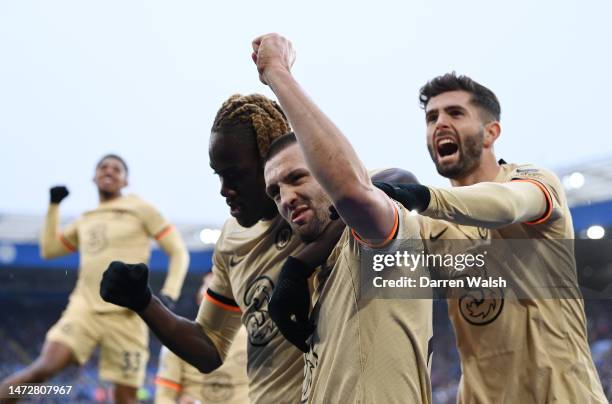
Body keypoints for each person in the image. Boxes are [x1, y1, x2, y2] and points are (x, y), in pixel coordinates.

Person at [369, 73, 607, 402]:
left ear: (491, 132)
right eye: (431, 117)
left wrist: (423, 197)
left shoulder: (532, 182)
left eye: (455, 113)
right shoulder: (430, 229)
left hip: (561, 395)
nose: (440, 123)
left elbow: (508, 205)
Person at [252, 34, 433, 403]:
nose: (286, 198)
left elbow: (371, 187)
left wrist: (277, 72)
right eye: (275, 192)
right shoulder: (326, 272)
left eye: (298, 177)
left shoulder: (375, 245)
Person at [100, 94, 309, 404]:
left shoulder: (316, 206)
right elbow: (209, 347)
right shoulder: (231, 240)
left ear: (269, 162)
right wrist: (144, 302)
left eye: (234, 174)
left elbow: (391, 180)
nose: (224, 189)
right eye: (218, 175)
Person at [0, 154, 189, 404]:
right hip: (84, 309)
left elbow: (178, 251)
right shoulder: (86, 220)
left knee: (125, 397)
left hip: (128, 316)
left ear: (126, 181)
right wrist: (54, 206)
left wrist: (169, 293)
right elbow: (49, 249)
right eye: (103, 167)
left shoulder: (141, 210)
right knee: (42, 369)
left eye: (116, 169)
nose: (109, 171)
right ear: (94, 176)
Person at [155, 272, 249, 404]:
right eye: (208, 285)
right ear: (200, 300)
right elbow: (164, 397)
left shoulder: (258, 342)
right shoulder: (178, 341)